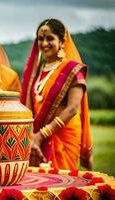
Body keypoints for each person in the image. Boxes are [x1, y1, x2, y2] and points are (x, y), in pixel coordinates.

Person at [20, 19, 92, 170]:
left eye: (50, 38)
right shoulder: (37, 70)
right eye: (40, 39)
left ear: (62, 41)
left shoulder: (72, 69)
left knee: (61, 184)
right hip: (36, 137)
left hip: (62, 136)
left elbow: (72, 109)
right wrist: (33, 135)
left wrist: (41, 134)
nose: (44, 43)